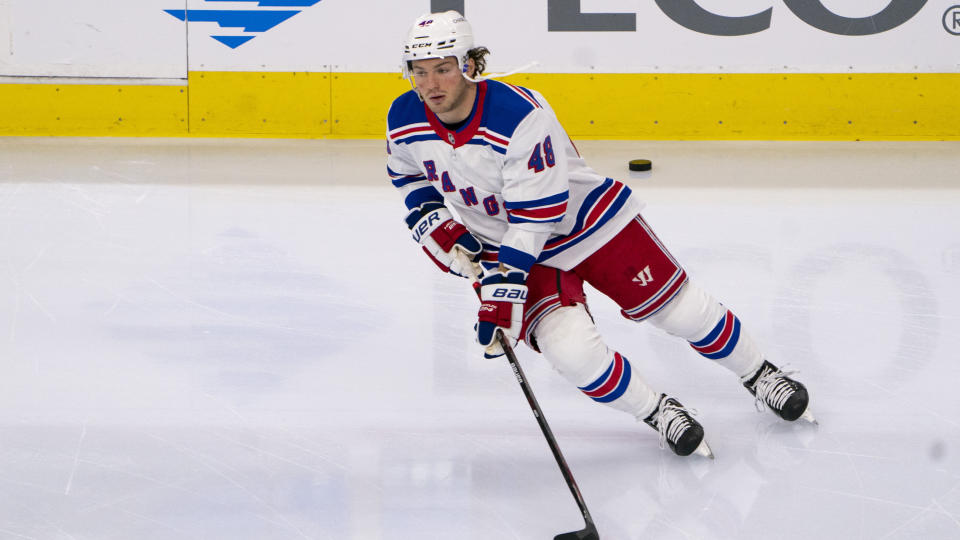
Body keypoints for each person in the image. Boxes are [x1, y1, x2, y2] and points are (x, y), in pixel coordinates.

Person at [386, 10, 815, 458]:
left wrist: (503, 287)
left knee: (681, 312)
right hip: (505, 247)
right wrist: (437, 224)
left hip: (586, 222)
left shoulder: (519, 114)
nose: (431, 85)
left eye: (443, 69)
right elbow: (407, 175)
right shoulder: (403, 116)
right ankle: (657, 411)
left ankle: (760, 373)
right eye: (419, 72)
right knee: (572, 354)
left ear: (469, 66)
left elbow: (538, 212)